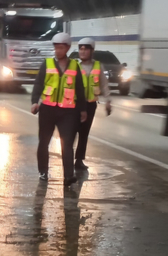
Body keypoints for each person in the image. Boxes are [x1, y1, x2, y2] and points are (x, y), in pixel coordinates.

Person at [30, 32, 87, 186]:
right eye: (56, 48)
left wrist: (82, 110)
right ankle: (43, 172)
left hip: (68, 112)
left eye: (61, 48)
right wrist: (35, 102)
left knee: (67, 143)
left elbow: (80, 89)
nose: (58, 51)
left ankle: (68, 176)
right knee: (44, 142)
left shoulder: (75, 66)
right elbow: (38, 84)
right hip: (48, 110)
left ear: (67, 48)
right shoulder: (47, 64)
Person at [74, 38, 112, 170]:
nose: (82, 52)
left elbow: (104, 84)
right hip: (75, 104)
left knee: (84, 134)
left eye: (86, 49)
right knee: (71, 133)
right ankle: (67, 159)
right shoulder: (75, 66)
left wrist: (108, 101)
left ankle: (79, 160)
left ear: (92, 51)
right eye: (81, 49)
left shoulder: (98, 66)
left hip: (90, 105)